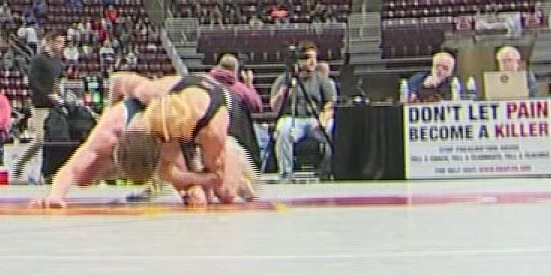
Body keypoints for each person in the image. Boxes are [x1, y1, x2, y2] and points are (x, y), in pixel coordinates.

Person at [37, 73, 255, 208]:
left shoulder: (210, 130)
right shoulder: (145, 96)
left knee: (224, 194)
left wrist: (195, 184)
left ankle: (232, 152)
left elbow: (211, 176)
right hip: (173, 113)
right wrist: (55, 195)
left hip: (214, 111)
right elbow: (119, 80)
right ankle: (186, 181)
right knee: (85, 178)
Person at [269, 42, 337, 180]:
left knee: (332, 129)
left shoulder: (321, 80)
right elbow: (274, 107)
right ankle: (286, 173)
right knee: (283, 130)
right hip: (292, 118)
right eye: (307, 58)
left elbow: (330, 103)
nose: (312, 62)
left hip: (315, 120)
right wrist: (283, 92)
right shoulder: (283, 79)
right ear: (299, 60)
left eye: (314, 58)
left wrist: (324, 119)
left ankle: (326, 170)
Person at [12, 33, 65, 182]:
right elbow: (33, 82)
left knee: (53, 140)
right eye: (59, 42)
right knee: (40, 139)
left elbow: (59, 79)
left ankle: (47, 173)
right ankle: (19, 164)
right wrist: (48, 95)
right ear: (50, 42)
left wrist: (59, 94)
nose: (62, 46)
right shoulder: (39, 59)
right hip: (40, 104)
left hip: (54, 106)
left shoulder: (57, 61)